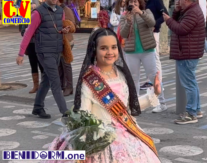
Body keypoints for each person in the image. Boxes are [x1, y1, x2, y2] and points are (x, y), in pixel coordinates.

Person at [47, 28, 161, 162]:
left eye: (113, 47)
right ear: (94, 51)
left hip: (125, 133)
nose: (110, 52)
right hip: (100, 138)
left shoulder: (122, 75)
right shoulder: (90, 79)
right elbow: (84, 114)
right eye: (103, 48)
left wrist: (154, 94)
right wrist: (83, 144)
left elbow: (127, 109)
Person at [16, 0, 70, 118]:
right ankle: (65, 111)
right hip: (44, 52)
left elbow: (57, 29)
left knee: (46, 80)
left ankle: (38, 107)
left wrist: (64, 30)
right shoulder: (38, 13)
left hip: (56, 50)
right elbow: (28, 33)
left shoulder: (60, 11)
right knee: (55, 80)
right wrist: (21, 53)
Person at [120, 0, 167, 112]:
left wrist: (140, 13)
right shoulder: (124, 17)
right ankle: (134, 105)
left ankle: (161, 102)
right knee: (133, 79)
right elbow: (123, 34)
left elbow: (152, 23)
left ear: (140, 3)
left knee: (153, 77)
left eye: (136, 1)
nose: (133, 4)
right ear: (128, 4)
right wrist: (129, 21)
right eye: (131, 2)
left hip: (147, 51)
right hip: (131, 52)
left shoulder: (147, 12)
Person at [163, 0, 205, 124]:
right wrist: (176, 11)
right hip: (188, 51)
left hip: (187, 53)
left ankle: (191, 113)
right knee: (191, 82)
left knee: (189, 84)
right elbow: (180, 23)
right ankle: (196, 109)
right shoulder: (189, 10)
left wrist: (168, 20)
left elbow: (181, 29)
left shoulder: (192, 12)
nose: (177, 0)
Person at [143, 0, 169, 113]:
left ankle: (160, 98)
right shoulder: (143, 0)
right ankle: (152, 91)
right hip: (142, 34)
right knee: (148, 64)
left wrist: (155, 24)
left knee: (155, 61)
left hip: (153, 34)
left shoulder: (156, 0)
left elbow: (165, 15)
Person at [20, 2, 44, 94]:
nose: (33, 9)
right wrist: (26, 31)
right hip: (30, 46)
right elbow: (22, 32)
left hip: (39, 45)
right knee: (33, 65)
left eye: (34, 8)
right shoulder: (26, 19)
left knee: (42, 65)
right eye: (31, 8)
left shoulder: (39, 18)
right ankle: (35, 85)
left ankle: (43, 85)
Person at [58, 0, 76, 96]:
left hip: (67, 41)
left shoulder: (66, 10)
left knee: (66, 63)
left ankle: (69, 87)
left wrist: (64, 26)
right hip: (60, 40)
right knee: (60, 64)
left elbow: (72, 25)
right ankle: (62, 85)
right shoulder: (56, 9)